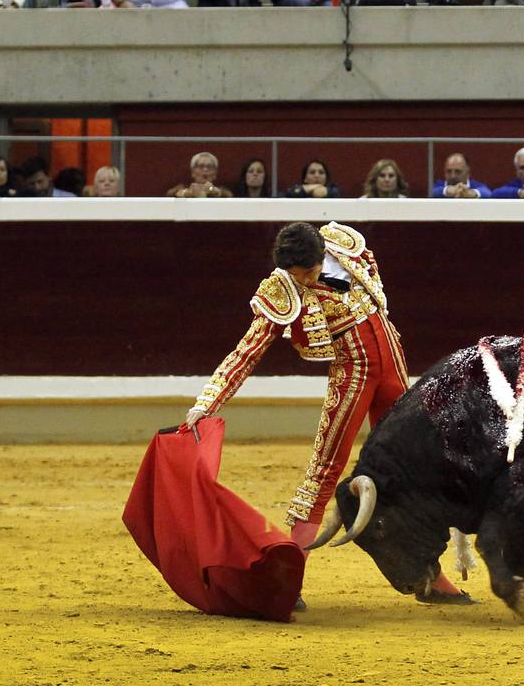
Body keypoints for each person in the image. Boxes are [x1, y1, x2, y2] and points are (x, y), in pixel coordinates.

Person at [183, 221, 474, 606]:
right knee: (324, 472)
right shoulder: (283, 288)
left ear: (321, 256)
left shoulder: (345, 247)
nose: (301, 280)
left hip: (393, 368)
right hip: (352, 378)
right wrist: (206, 403)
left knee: (420, 467)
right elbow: (246, 352)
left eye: (306, 272)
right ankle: (288, 581)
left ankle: (428, 578)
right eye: (294, 274)